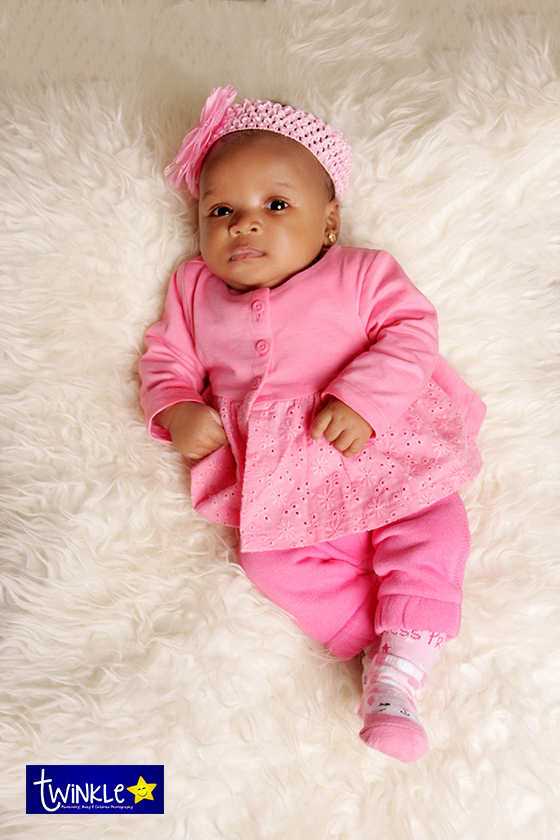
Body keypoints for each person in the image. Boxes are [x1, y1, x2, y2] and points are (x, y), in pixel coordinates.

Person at [137, 85, 487, 763]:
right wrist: (176, 406)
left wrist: (365, 399)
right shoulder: (194, 290)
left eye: (275, 205)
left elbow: (411, 330)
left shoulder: (360, 273)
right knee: (267, 560)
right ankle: (374, 648)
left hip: (376, 441)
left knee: (433, 523)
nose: (245, 225)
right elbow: (165, 358)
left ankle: (407, 653)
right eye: (221, 210)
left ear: (329, 223)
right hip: (280, 472)